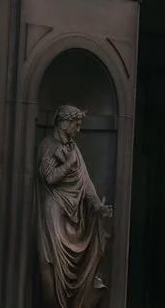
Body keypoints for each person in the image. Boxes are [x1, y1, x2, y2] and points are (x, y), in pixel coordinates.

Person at [36, 105, 111, 308]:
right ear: (65, 123)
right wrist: (68, 163)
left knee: (80, 264)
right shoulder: (47, 145)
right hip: (54, 209)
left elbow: (85, 181)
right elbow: (49, 177)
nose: (78, 130)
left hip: (75, 213)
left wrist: (96, 204)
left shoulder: (73, 148)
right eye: (76, 125)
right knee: (53, 263)